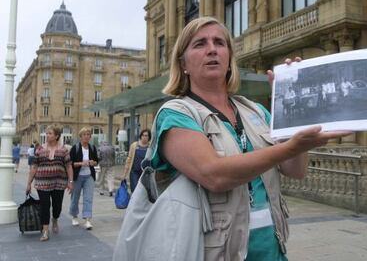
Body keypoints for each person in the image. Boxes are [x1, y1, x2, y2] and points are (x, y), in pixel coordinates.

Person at [118, 17, 351, 261]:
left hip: (272, 251)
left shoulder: (256, 111)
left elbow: (295, 169)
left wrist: (294, 113)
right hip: (213, 253)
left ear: (229, 58)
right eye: (199, 44)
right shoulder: (176, 113)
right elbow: (214, 174)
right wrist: (291, 146)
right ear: (183, 63)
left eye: (219, 42)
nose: (212, 49)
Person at [25, 125, 74, 241]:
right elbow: (34, 166)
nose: (47, 135)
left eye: (50, 133)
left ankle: (55, 219)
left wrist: (71, 181)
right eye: (46, 133)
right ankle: (45, 230)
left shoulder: (63, 150)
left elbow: (68, 166)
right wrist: (28, 183)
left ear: (56, 136)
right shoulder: (40, 149)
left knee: (57, 206)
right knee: (44, 206)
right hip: (42, 182)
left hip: (59, 182)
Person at [69, 127, 99, 230]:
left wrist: (92, 162)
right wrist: (82, 163)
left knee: (88, 198)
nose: (86, 136)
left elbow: (96, 161)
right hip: (77, 176)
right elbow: (70, 164)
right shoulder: (75, 148)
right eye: (84, 134)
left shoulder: (92, 148)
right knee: (75, 198)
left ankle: (87, 220)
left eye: (88, 135)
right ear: (80, 136)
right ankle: (74, 216)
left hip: (89, 176)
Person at [122, 129, 151, 193]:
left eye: (146, 136)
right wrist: (124, 174)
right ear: (140, 136)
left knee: (144, 192)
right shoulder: (134, 145)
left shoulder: (150, 147)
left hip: (145, 173)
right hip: (134, 172)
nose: (144, 137)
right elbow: (129, 159)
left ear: (149, 137)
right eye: (143, 135)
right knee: (134, 189)